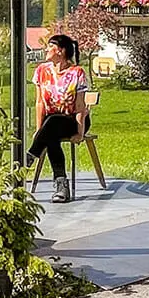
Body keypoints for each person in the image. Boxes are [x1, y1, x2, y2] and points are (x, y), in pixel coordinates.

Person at [26, 33, 90, 203]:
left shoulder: (77, 73)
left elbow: (79, 106)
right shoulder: (41, 71)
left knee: (52, 125)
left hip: (73, 120)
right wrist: (38, 130)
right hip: (50, 122)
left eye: (50, 46)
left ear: (60, 51)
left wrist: (80, 132)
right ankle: (62, 186)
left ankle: (29, 157)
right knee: (50, 134)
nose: (46, 49)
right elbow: (39, 102)